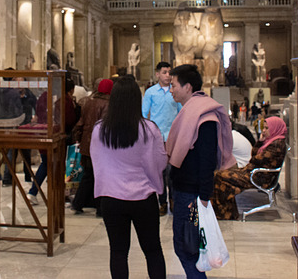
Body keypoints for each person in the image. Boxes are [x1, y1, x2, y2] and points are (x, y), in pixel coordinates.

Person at [91, 75, 168, 279]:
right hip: (143, 197)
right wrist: (155, 185)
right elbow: (160, 163)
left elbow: (97, 162)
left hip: (112, 198)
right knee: (152, 251)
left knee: (118, 251)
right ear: (137, 100)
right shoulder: (149, 129)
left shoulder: (100, 130)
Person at [166, 64, 234, 279]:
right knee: (185, 245)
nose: (171, 90)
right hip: (185, 189)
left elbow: (206, 158)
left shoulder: (204, 115)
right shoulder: (190, 111)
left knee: (187, 247)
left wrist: (204, 196)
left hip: (192, 193)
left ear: (187, 87)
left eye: (174, 85)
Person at [212, 116, 288, 220]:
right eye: (264, 128)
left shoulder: (276, 145)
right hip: (255, 173)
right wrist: (260, 142)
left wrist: (255, 157)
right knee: (220, 175)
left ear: (275, 128)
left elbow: (255, 160)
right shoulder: (271, 142)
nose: (264, 131)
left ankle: (225, 213)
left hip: (259, 177)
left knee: (220, 176)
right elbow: (254, 156)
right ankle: (226, 212)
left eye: (267, 128)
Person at [28, 77, 78, 205]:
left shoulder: (44, 96)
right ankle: (58, 195)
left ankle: (33, 192)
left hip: (44, 133)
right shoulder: (64, 100)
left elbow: (39, 113)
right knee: (56, 166)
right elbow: (69, 120)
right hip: (58, 137)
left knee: (46, 164)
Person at [141, 61, 182, 215]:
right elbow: (144, 114)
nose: (167, 75)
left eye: (169, 73)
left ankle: (173, 200)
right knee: (159, 172)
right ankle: (162, 201)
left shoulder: (175, 92)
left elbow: (181, 112)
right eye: (164, 72)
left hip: (172, 137)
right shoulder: (151, 93)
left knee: (172, 171)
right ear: (157, 73)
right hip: (156, 138)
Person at [71, 78, 113, 215]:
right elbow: (105, 127)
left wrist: (79, 139)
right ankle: (100, 208)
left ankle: (78, 203)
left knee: (88, 175)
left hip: (86, 143)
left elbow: (81, 123)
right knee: (101, 176)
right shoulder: (108, 104)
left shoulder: (88, 102)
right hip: (100, 145)